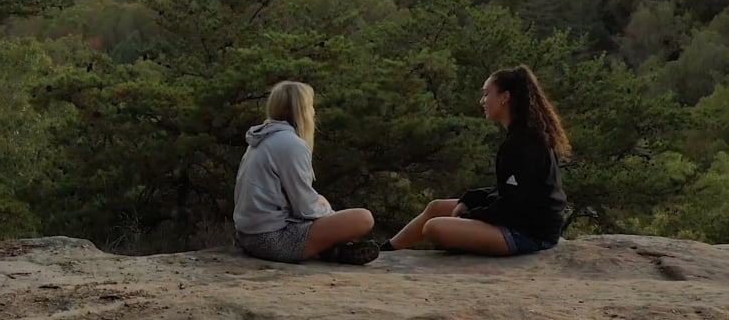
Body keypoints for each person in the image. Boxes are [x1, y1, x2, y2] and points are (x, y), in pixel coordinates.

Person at [382, 65, 570, 256]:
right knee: (436, 207)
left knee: (434, 228)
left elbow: (513, 206)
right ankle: (384, 251)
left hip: (529, 234)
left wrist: (469, 215)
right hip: (522, 220)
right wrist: (470, 199)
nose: (482, 101)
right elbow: (508, 191)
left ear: (504, 97)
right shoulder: (524, 136)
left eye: (487, 94)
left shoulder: (521, 144)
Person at [233, 81, 380, 264]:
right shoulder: (291, 144)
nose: (314, 112)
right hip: (271, 240)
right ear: (301, 110)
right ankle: (336, 247)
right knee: (363, 219)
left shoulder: (262, 138)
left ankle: (336, 251)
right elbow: (304, 207)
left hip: (248, 235)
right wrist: (328, 211)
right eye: (311, 106)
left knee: (324, 208)